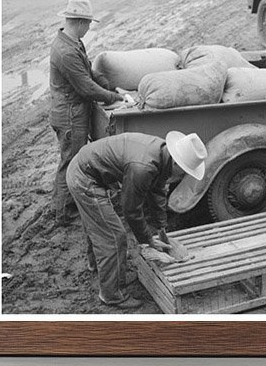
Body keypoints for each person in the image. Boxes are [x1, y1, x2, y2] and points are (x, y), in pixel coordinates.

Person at [66, 130, 208, 310]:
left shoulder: (162, 153)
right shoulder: (143, 167)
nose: (182, 176)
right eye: (184, 171)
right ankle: (112, 295)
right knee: (114, 236)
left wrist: (161, 228)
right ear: (177, 163)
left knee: (99, 225)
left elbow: (157, 191)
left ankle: (98, 266)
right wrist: (147, 241)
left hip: (88, 168)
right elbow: (131, 209)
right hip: (84, 178)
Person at [49, 0, 128, 226]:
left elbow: (88, 72)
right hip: (70, 116)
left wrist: (106, 83)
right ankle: (65, 214)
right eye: (89, 23)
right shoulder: (65, 51)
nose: (89, 28)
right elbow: (85, 87)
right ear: (81, 23)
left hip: (71, 112)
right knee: (71, 162)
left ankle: (63, 206)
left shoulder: (72, 42)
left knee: (70, 160)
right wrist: (115, 97)